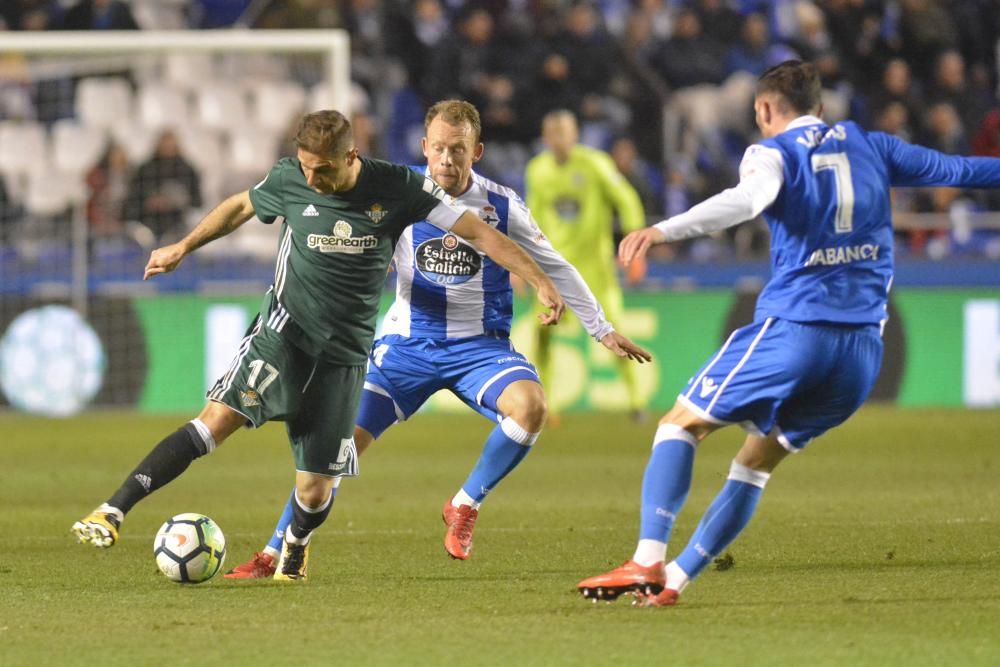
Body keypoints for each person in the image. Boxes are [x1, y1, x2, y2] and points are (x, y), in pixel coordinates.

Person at [73, 109, 567, 582]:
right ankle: (113, 509)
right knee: (215, 422)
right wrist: (183, 246)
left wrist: (540, 280)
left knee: (314, 491)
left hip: (343, 362)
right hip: (281, 339)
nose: (311, 180)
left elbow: (480, 233)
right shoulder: (290, 178)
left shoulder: (398, 187)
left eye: (323, 170)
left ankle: (294, 547)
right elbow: (240, 207)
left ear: (352, 157)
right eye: (307, 168)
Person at [576, 60, 1000, 607]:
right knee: (755, 463)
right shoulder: (874, 145)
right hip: (863, 355)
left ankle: (647, 559)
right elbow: (963, 171)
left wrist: (662, 229)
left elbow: (747, 202)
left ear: (763, 110)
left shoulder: (771, 152)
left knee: (679, 426)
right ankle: (674, 582)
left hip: (796, 330)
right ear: (821, 109)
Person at [224, 100, 651, 578]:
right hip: (405, 348)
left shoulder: (503, 206)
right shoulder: (395, 190)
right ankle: (272, 551)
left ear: (478, 152)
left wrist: (601, 327)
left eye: (459, 150)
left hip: (478, 349)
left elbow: (554, 265)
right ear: (424, 148)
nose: (447, 159)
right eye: (440, 149)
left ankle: (464, 504)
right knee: (334, 453)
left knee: (530, 408)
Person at [524, 110, 647, 422]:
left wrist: (636, 247)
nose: (559, 140)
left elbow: (627, 199)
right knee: (542, 331)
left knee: (614, 327)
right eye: (553, 134)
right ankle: (546, 402)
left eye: (564, 133)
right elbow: (529, 218)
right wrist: (520, 263)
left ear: (575, 134)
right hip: (555, 267)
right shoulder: (537, 170)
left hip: (595, 267)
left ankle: (636, 402)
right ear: (546, 138)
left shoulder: (595, 164)